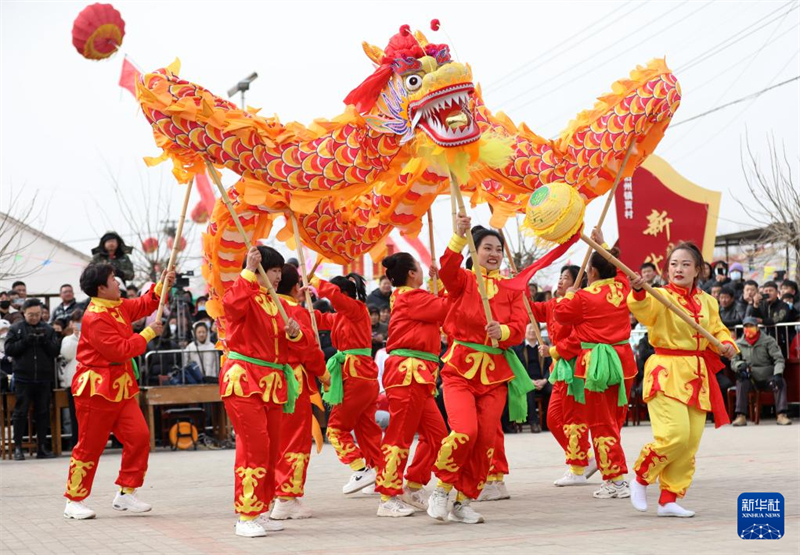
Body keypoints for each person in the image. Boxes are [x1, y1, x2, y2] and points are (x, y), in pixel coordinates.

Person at [426, 216, 528, 525]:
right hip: (460, 370)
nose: (494, 253)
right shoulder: (466, 281)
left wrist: (505, 332)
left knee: (486, 441)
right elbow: (446, 270)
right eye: (487, 248)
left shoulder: (513, 288)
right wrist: (457, 237)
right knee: (465, 432)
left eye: (498, 248)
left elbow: (521, 327)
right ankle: (442, 488)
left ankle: (464, 499)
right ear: (476, 250)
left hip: (495, 374)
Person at [628, 242, 737, 518]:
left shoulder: (708, 301)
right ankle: (641, 477)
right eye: (674, 264)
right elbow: (644, 311)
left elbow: (718, 330)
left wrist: (725, 344)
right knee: (674, 436)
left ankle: (668, 499)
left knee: (689, 443)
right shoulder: (660, 294)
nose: (678, 269)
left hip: (697, 374)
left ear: (698, 269)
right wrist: (639, 291)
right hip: (666, 371)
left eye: (685, 264)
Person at [62, 263, 174, 520]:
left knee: (140, 436)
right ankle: (74, 499)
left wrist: (162, 284)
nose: (118, 283)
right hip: (96, 389)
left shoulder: (118, 305)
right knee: (89, 446)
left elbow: (145, 304)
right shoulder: (95, 317)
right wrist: (147, 333)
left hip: (120, 387)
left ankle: (126, 492)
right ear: (101, 287)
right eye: (113, 279)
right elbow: (119, 350)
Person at [219, 246, 309, 537]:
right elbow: (230, 308)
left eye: (280, 273)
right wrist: (247, 269)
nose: (278, 277)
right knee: (254, 447)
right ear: (259, 271)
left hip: (271, 384)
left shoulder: (275, 304)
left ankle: (262, 507)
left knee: (271, 449)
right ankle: (246, 514)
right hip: (244, 380)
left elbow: (296, 346)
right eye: (273, 271)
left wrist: (294, 333)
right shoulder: (245, 293)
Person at [553, 229, 637, 500]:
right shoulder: (622, 286)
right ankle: (614, 473)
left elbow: (561, 315)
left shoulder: (584, 298)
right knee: (615, 421)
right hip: (623, 361)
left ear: (591, 272)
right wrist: (602, 244)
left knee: (601, 424)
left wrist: (570, 293)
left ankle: (615, 479)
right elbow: (623, 271)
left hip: (597, 365)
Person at [373, 252, 449, 518]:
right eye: (418, 267)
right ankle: (387, 495)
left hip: (419, 375)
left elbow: (439, 309)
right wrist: (446, 283)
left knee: (438, 434)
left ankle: (413, 484)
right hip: (408, 373)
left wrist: (437, 284)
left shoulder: (411, 297)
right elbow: (445, 308)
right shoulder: (410, 297)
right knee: (399, 435)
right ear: (412, 274)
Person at [311, 272, 383, 496]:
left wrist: (313, 281)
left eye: (335, 298)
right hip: (362, 377)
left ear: (342, 295)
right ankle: (382, 475)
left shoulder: (356, 309)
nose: (332, 303)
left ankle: (360, 467)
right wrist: (299, 308)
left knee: (336, 429)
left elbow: (332, 296)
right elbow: (318, 319)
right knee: (367, 430)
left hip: (356, 376)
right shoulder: (343, 315)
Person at [271, 264, 330, 521]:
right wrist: (325, 375)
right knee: (296, 440)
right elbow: (309, 351)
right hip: (294, 381)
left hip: (268, 380)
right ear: (296, 287)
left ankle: (274, 492)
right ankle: (286, 497)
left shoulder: (268, 306)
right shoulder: (296, 312)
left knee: (276, 439)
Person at [530, 265, 598, 487]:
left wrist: (552, 350)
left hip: (576, 366)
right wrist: (518, 285)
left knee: (574, 418)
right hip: (559, 369)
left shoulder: (582, 306)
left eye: (566, 278)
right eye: (560, 277)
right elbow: (530, 309)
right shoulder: (552, 305)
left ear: (578, 283)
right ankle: (586, 457)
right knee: (554, 418)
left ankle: (577, 468)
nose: (560, 281)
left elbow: (579, 338)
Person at [4, 299, 61, 460]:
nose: (35, 317)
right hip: (23, 378)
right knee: (20, 413)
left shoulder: (48, 329)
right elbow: (9, 349)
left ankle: (42, 447)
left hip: (43, 378)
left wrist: (44, 341)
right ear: (24, 313)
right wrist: (25, 341)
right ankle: (18, 448)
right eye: (31, 315)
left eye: (37, 314)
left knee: (43, 412)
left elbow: (55, 351)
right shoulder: (16, 329)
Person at [731, 317, 790, 426]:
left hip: (767, 376)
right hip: (751, 377)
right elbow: (734, 360)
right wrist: (740, 366)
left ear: (757, 328)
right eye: (746, 327)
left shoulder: (768, 341)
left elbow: (779, 359)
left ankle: (781, 415)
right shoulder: (739, 343)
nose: (749, 329)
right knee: (741, 382)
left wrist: (778, 373)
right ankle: (741, 416)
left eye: (751, 326)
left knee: (780, 382)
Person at [59, 310, 84, 449]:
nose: (79, 324)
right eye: (76, 321)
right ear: (71, 323)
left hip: (91, 380)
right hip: (74, 381)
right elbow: (67, 354)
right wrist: (75, 337)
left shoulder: (93, 335)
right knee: (75, 415)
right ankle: (76, 442)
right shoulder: (67, 339)